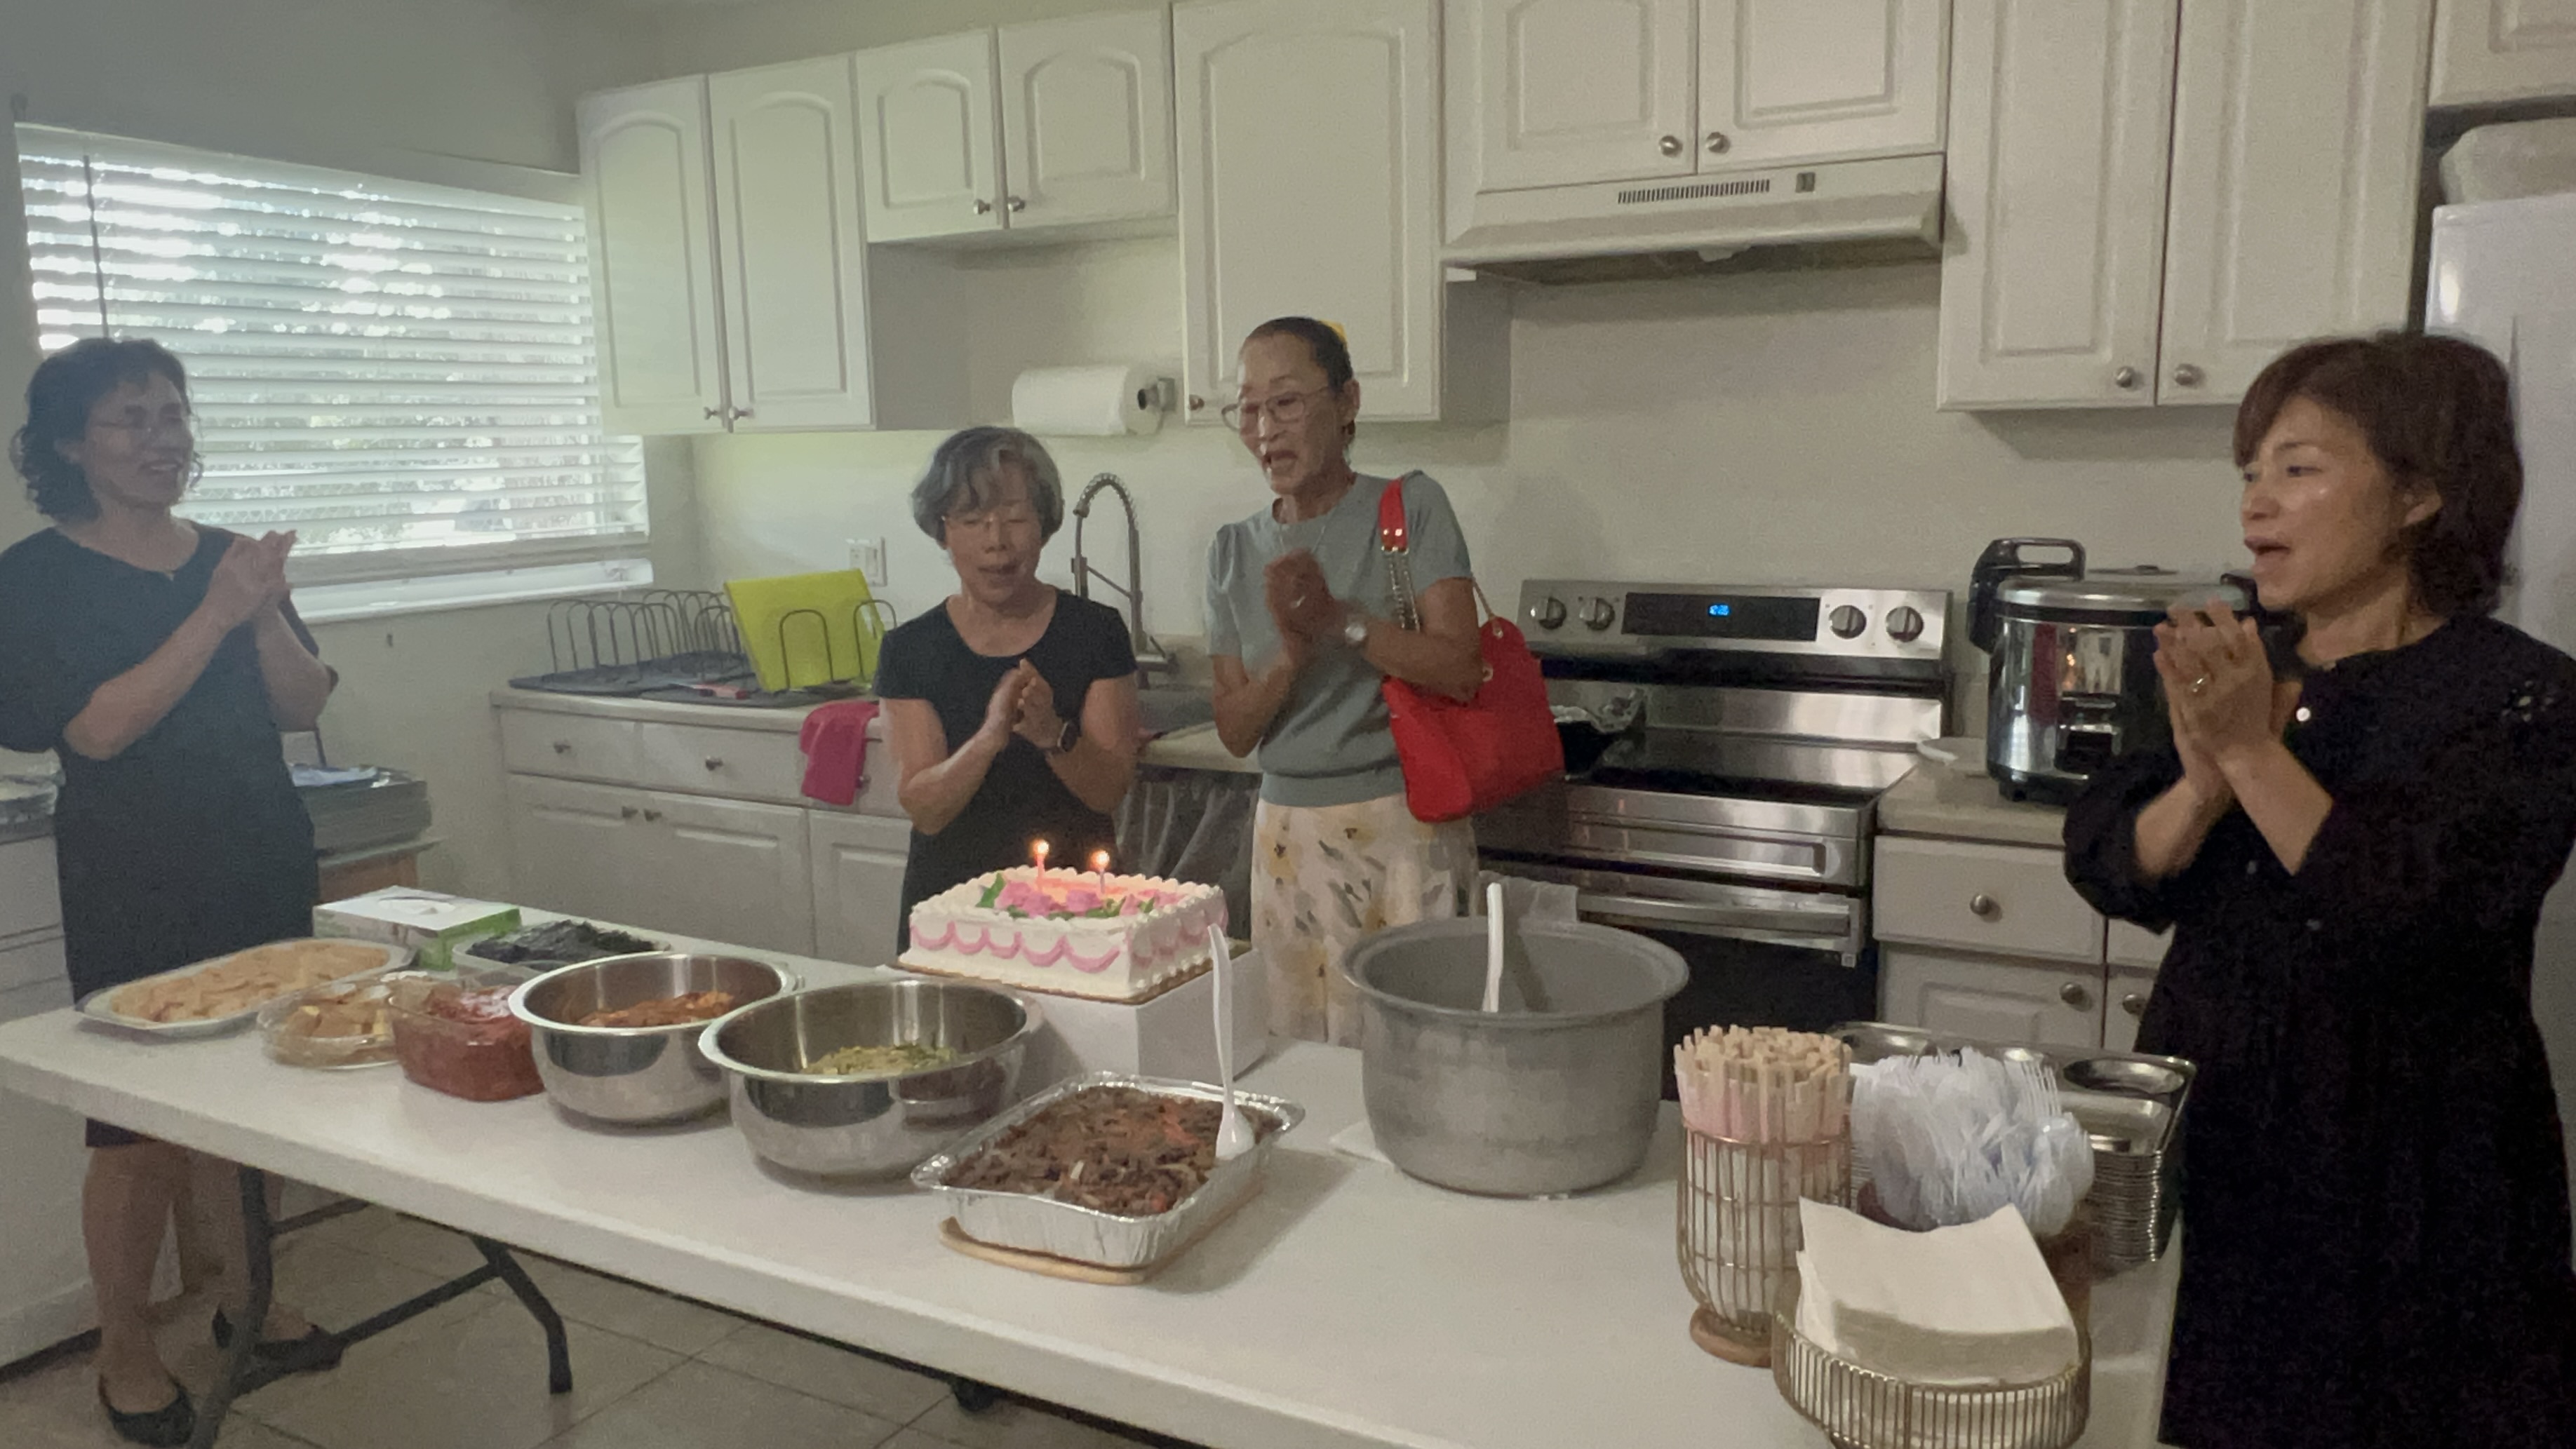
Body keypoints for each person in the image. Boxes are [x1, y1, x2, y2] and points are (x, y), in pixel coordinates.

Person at [2064, 332, 2576, 1448]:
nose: (2256, 501)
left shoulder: (2523, 698)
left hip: (2413, 1160)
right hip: (2223, 1119)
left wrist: (2252, 753)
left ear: (2419, 495)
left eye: (2298, 468)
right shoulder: (2232, 656)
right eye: (2251, 472)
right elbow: (2108, 855)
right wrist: (2203, 786)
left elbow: (2414, 913)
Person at [0, 338, 342, 1446]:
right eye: (131, 419)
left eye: (173, 413)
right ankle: (124, 1346)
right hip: (135, 874)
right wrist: (215, 613)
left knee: (260, 1093)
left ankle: (249, 1296)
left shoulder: (231, 558)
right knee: (134, 1130)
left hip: (260, 851)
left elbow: (302, 703)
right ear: (69, 444)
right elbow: (97, 731)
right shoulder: (34, 580)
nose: (163, 439)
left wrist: (260, 608)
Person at [1205, 318, 1489, 1045]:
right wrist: (1291, 657)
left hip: (1405, 832)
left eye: (1286, 402)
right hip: (1287, 844)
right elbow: (1235, 731)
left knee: (1422, 1051)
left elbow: (1461, 668)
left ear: (1348, 401)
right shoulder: (1232, 550)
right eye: (1249, 409)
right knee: (1301, 1055)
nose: (1265, 429)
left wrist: (1342, 622)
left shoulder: (1409, 508)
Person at [876, 428, 1141, 949]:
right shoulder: (910, 649)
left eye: (1016, 518)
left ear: (1044, 525)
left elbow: (1109, 789)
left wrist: (1051, 733)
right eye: (973, 520)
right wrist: (989, 738)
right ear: (943, 532)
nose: (997, 540)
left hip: (1073, 910)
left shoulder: (1096, 632)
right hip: (951, 910)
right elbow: (926, 808)